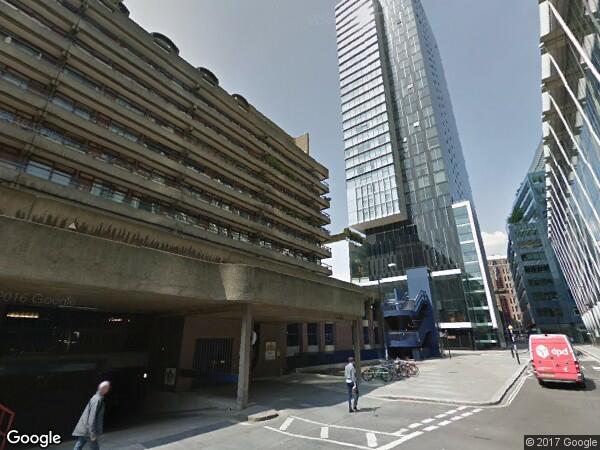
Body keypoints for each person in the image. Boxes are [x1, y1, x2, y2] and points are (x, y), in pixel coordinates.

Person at [72, 381, 110, 450]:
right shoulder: (97, 399)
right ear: (103, 389)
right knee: (95, 448)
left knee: (78, 446)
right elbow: (92, 417)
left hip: (85, 428)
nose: (108, 390)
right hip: (88, 430)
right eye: (107, 388)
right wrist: (92, 434)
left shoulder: (96, 397)